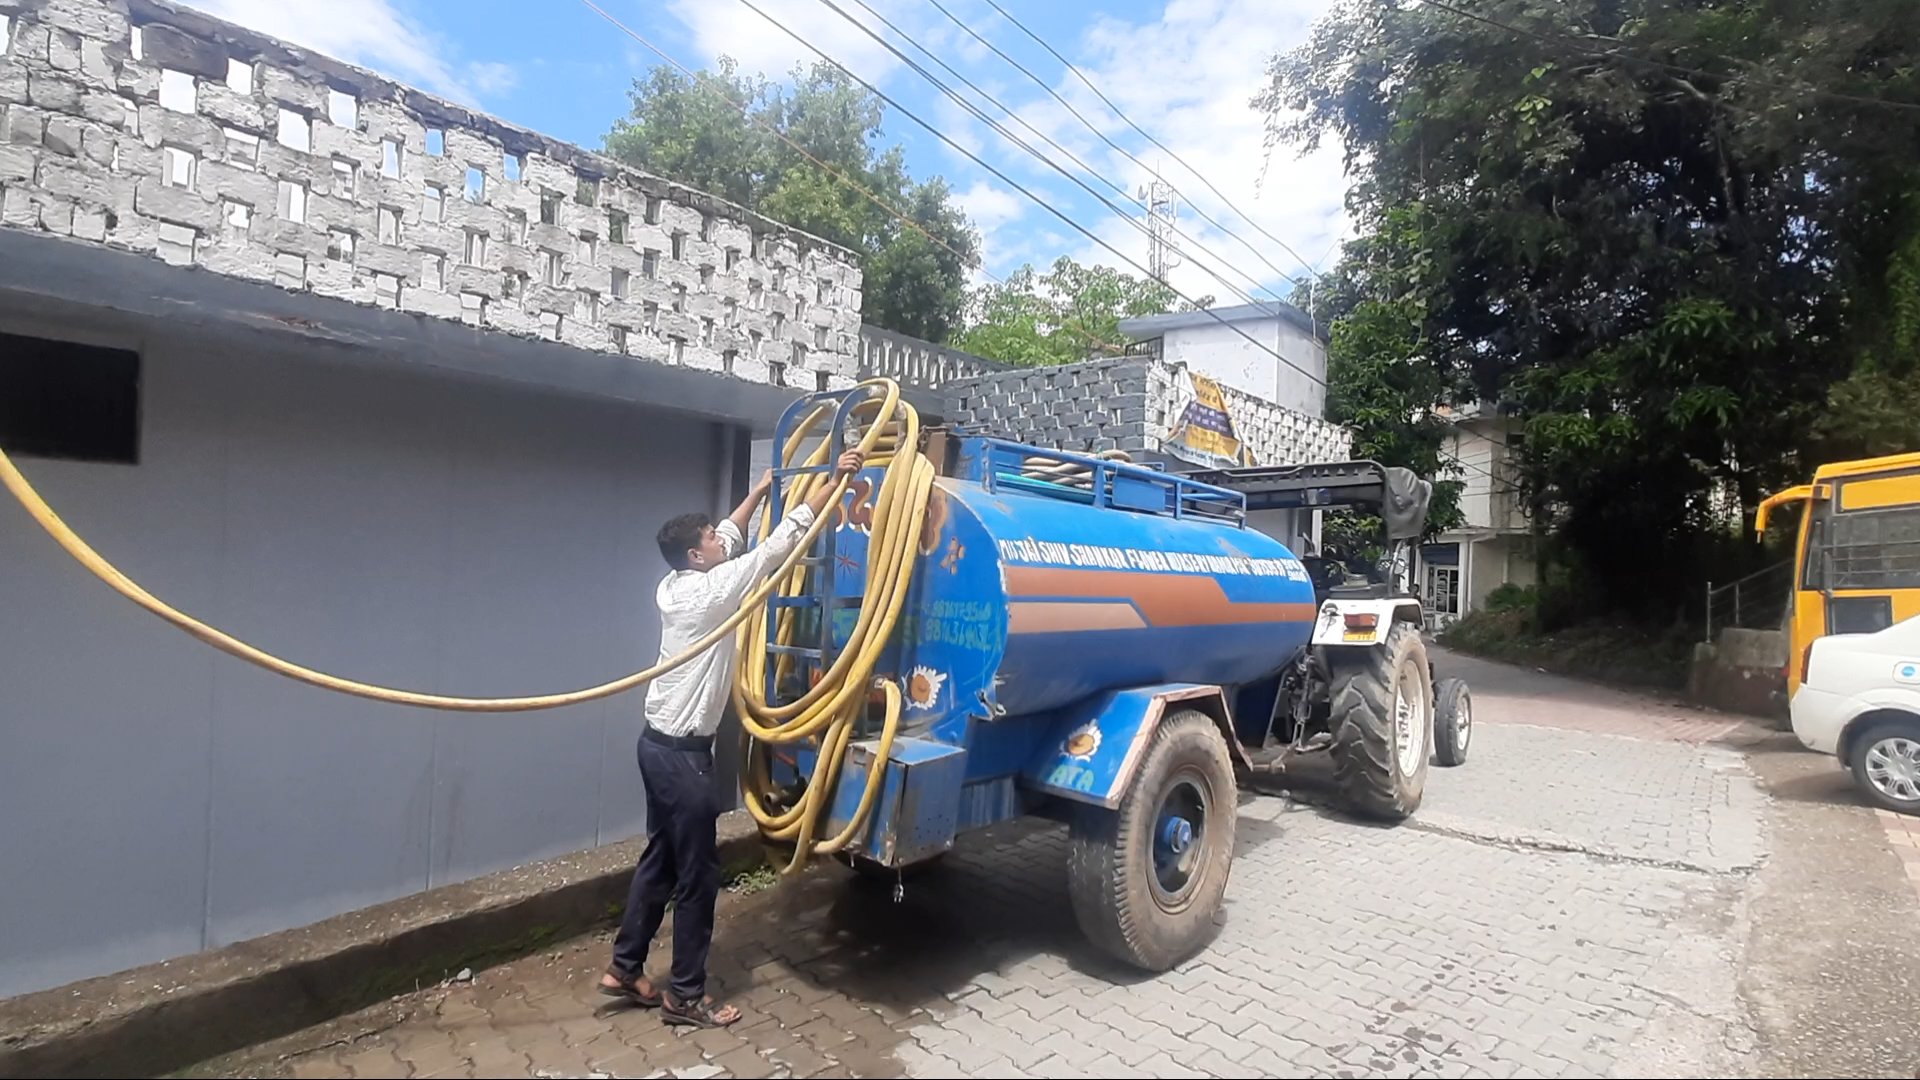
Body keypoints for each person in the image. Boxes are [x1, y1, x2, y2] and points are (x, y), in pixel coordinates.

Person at [599, 447, 865, 1028]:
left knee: (660, 859)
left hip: (655, 746)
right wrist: (837, 480)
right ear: (698, 557)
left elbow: (731, 532)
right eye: (712, 543)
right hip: (682, 759)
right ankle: (685, 996)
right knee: (699, 877)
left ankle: (625, 967)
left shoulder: (675, 583)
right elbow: (780, 542)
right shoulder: (711, 591)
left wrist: (759, 489)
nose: (723, 542)